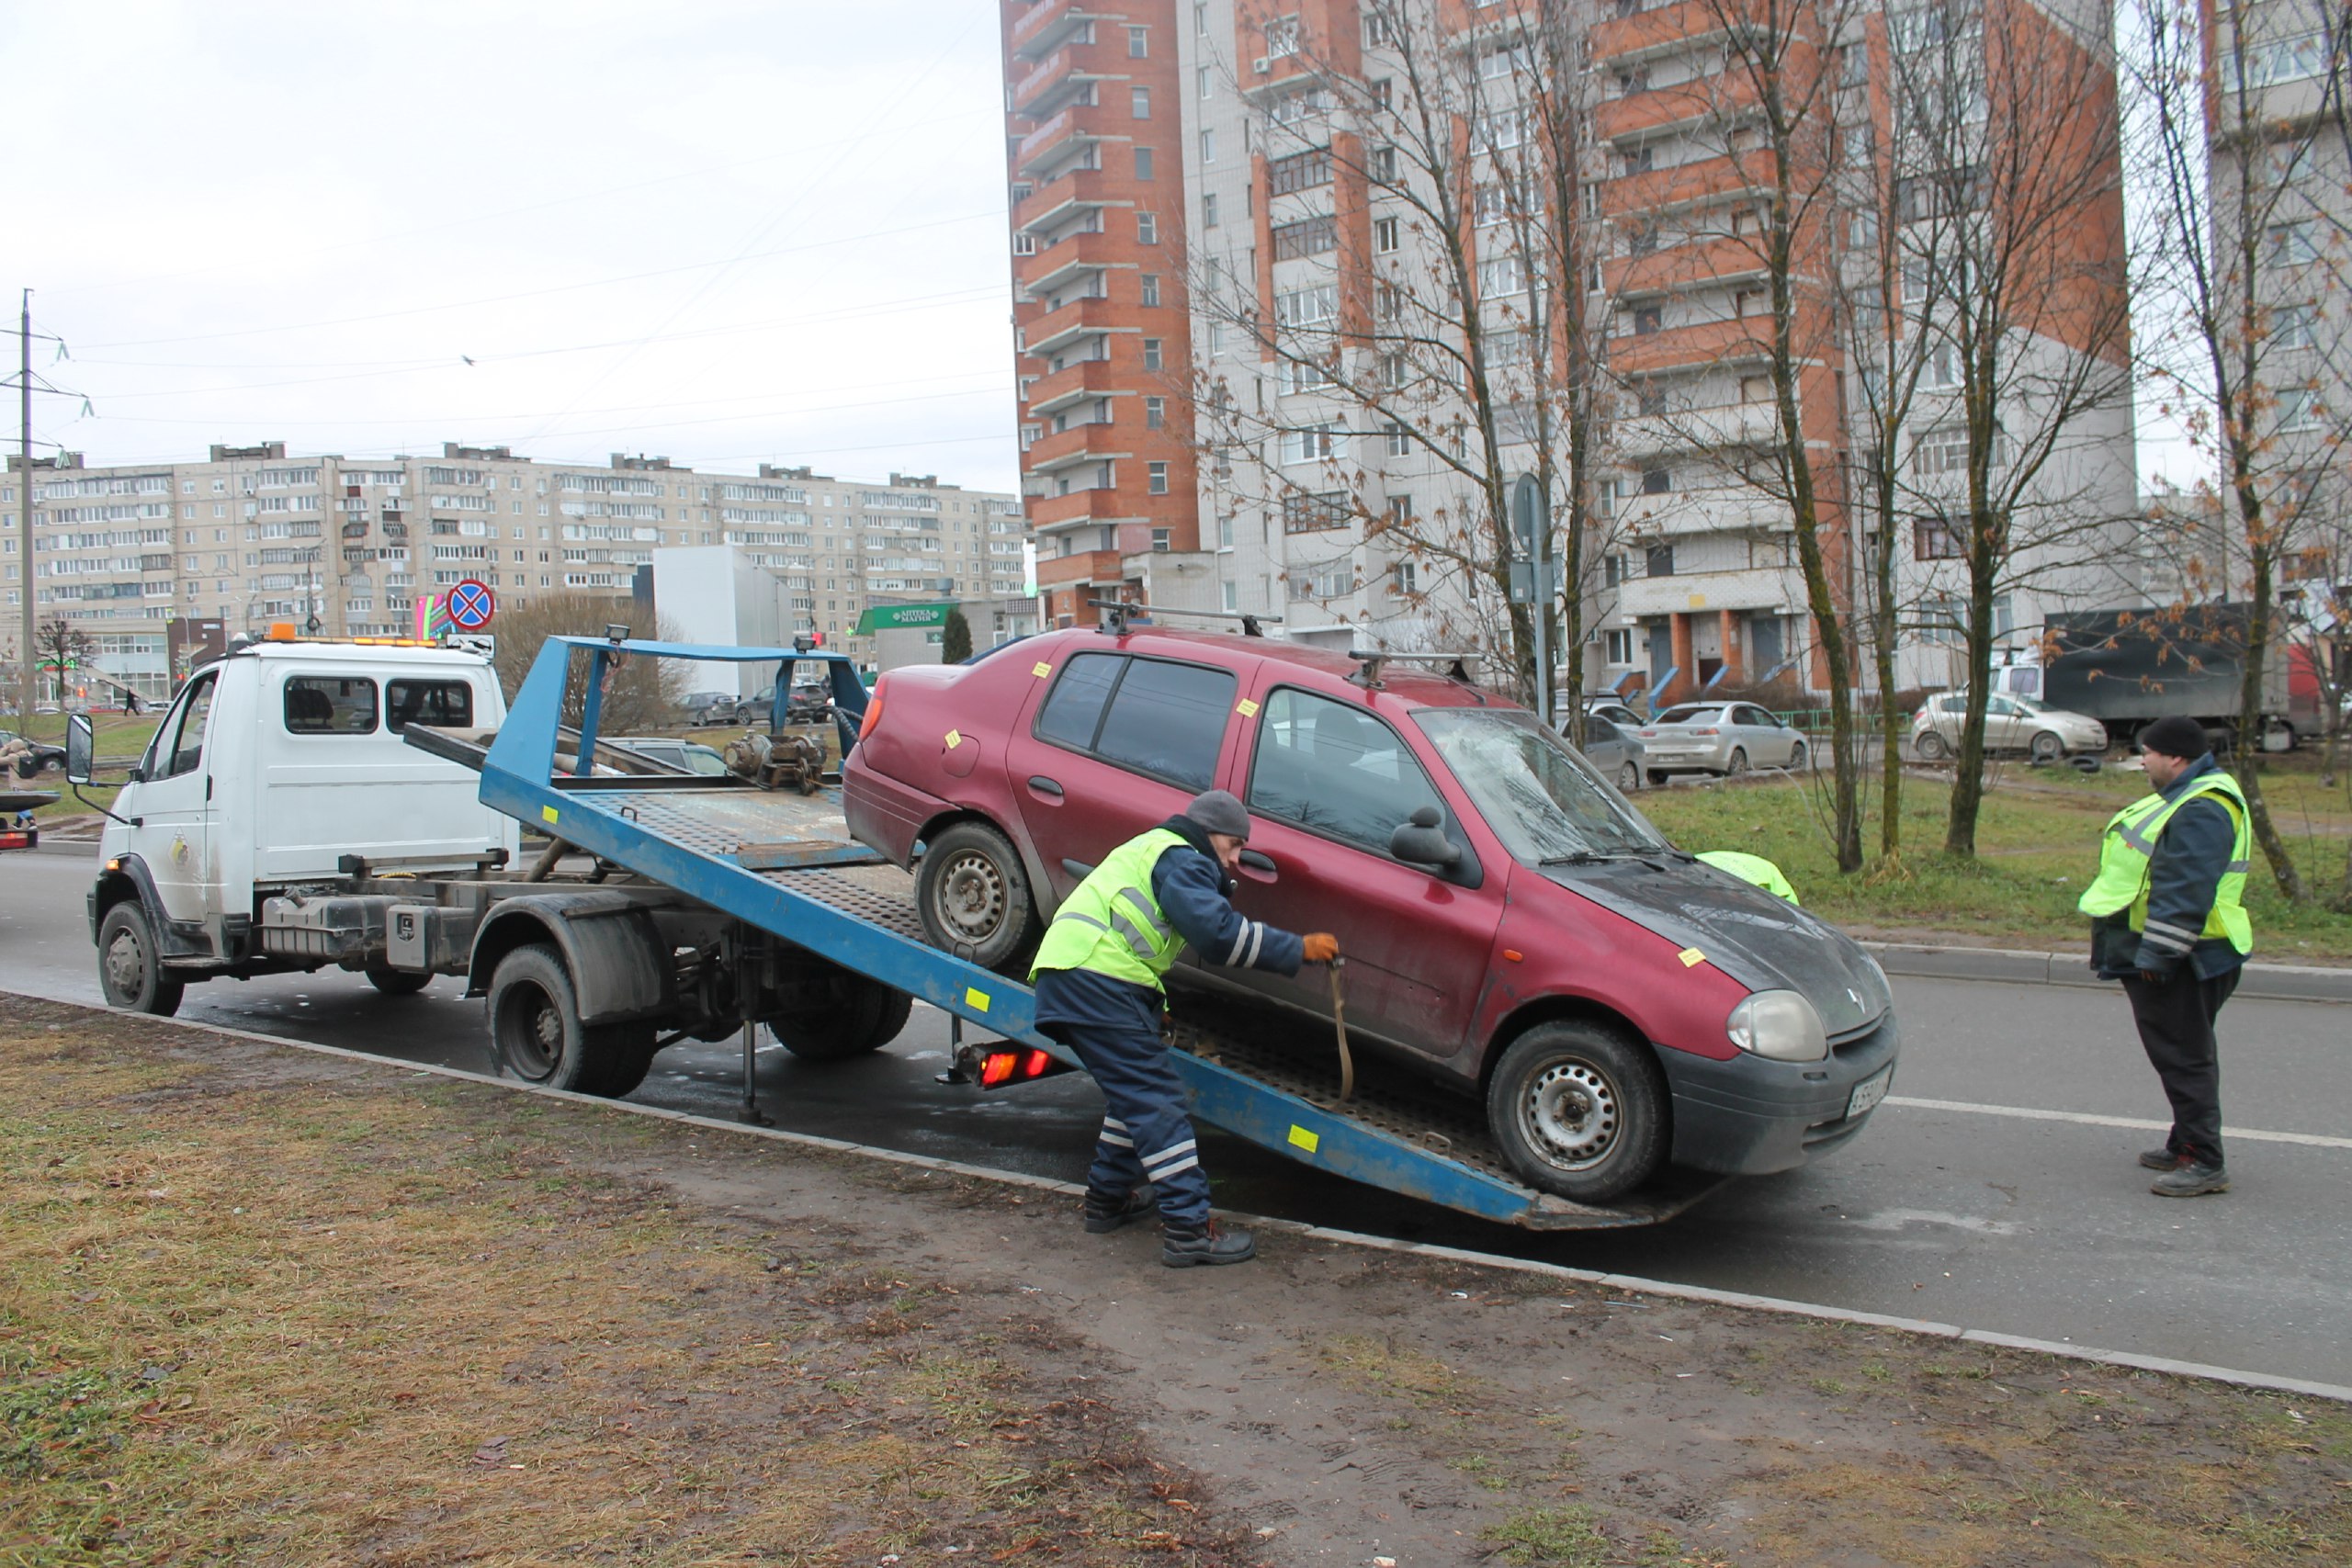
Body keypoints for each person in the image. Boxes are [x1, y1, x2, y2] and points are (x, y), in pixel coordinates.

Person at [1029, 789, 1339, 1267]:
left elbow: (1135, 941)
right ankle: (1189, 1231)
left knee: (1133, 1098)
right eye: (1233, 846)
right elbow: (1219, 937)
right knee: (1158, 1103)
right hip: (1095, 979)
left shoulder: (1155, 850)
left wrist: (1154, 1008)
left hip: (1080, 975)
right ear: (1210, 832)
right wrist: (1297, 949)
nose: (1234, 862)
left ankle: (1107, 1200)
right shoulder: (1183, 857)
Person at [2077, 715, 2252, 1198]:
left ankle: (2204, 1160)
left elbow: (2185, 889)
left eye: (2148, 753)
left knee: (2184, 1058)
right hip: (2195, 948)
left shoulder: (2201, 807)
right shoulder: (2191, 795)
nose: (2143, 762)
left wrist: (2159, 955)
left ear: (2175, 757)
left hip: (2186, 954)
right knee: (2181, 1051)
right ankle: (2184, 1142)